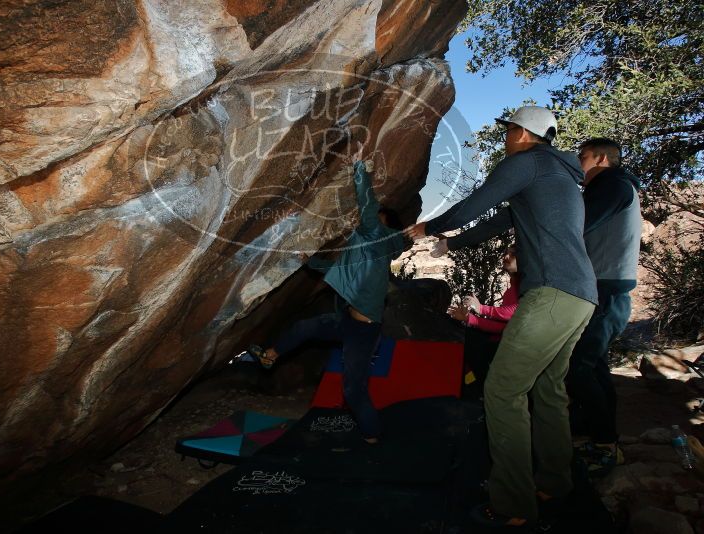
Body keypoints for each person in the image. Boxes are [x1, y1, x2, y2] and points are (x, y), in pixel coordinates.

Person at [405, 106, 597, 527]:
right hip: (581, 295)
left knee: (502, 391)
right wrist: (452, 246)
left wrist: (427, 228)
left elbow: (477, 203)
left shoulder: (526, 162)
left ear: (524, 133)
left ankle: (512, 507)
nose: (506, 138)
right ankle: (556, 483)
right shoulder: (559, 176)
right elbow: (504, 218)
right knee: (547, 390)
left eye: (509, 130)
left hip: (549, 293)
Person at [248, 151, 406, 445]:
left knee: (353, 390)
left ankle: (373, 438)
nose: (367, 221)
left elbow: (368, 208)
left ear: (385, 226)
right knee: (303, 328)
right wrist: (311, 261)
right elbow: (340, 270)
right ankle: (270, 356)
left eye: (377, 220)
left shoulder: (377, 236)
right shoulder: (368, 250)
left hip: (364, 330)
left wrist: (359, 168)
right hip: (347, 320)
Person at [565, 138, 641, 476]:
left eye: (582, 157)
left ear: (601, 158)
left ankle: (606, 444)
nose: (579, 163)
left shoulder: (614, 186)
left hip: (606, 290)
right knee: (593, 366)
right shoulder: (615, 188)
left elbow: (574, 227)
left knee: (579, 366)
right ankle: (595, 436)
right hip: (602, 288)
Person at [448, 246, 520, 398]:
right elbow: (502, 326)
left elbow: (515, 313)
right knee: (466, 336)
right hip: (501, 342)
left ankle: (483, 390)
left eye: (512, 253)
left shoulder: (526, 286)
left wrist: (481, 309)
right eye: (505, 253)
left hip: (514, 348)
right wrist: (469, 318)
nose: (506, 256)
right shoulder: (511, 290)